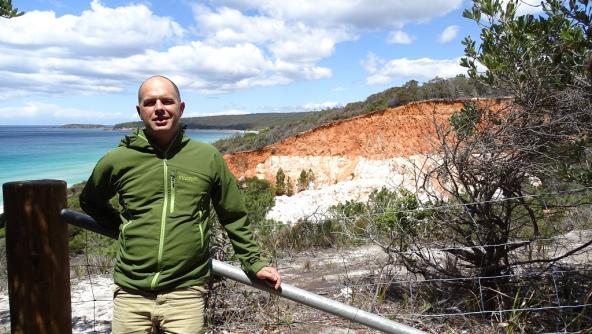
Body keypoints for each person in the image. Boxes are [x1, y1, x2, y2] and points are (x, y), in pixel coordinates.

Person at [80, 75, 281, 334]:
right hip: (130, 292)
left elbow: (232, 215)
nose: (159, 108)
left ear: (181, 107)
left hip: (185, 293)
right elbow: (90, 200)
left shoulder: (207, 158)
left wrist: (254, 263)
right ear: (139, 111)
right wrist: (121, 227)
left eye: (167, 101)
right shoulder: (118, 160)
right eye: (150, 102)